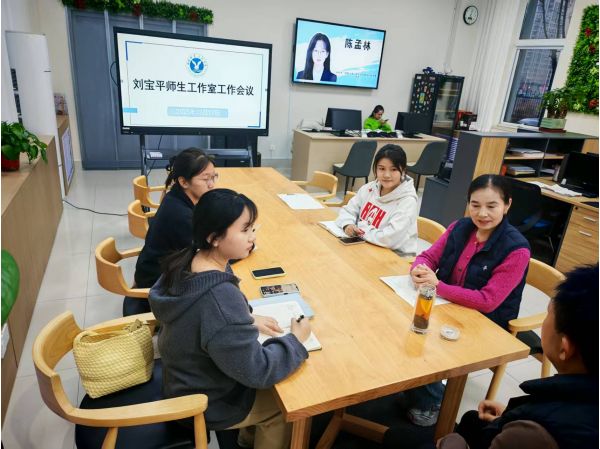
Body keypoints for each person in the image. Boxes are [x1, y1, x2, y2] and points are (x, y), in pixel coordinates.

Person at [149, 188, 312, 449]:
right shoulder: (219, 300)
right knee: (286, 408)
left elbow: (209, 319)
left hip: (181, 379)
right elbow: (259, 371)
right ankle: (250, 436)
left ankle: (247, 437)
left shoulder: (189, 259)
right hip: (206, 400)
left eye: (252, 228)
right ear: (214, 237)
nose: (253, 237)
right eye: (245, 230)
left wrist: (246, 318)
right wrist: (295, 340)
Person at [405, 174, 531, 427]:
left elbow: (487, 301)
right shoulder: (459, 228)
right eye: (475, 205)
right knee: (402, 321)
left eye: (492, 206)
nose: (482, 213)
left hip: (485, 322)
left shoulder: (516, 249)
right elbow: (428, 257)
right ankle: (413, 384)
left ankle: (435, 400)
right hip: (449, 307)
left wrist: (439, 286)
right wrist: (418, 269)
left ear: (507, 205)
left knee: (421, 338)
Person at [436, 264, 599, 449]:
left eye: (548, 314)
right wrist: (511, 416)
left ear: (564, 349)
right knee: (472, 419)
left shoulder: (534, 434)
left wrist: (451, 442)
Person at [134, 148, 217, 292]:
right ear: (184, 182)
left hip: (155, 268)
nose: (212, 184)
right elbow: (207, 256)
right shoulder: (181, 215)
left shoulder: (175, 196)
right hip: (158, 282)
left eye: (214, 177)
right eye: (205, 179)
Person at [335, 144, 418, 256]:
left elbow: (388, 239)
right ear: (375, 169)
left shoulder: (407, 202)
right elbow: (348, 210)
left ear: (403, 171)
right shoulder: (369, 188)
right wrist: (347, 225)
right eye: (382, 168)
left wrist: (361, 227)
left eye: (393, 169)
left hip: (394, 257)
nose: (386, 175)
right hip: (366, 245)